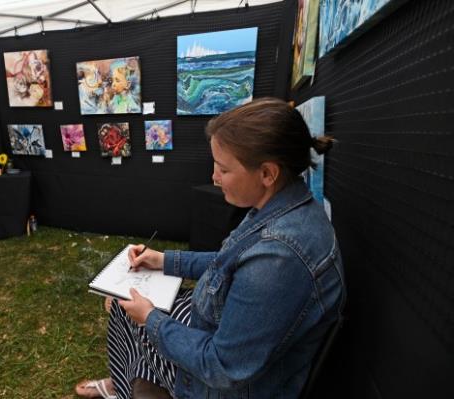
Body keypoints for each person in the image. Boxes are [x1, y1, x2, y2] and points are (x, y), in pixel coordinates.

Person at [75, 97, 346, 399]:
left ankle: (128, 382)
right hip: (219, 331)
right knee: (124, 306)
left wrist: (151, 318)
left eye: (223, 169)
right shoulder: (282, 207)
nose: (214, 178)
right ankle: (126, 380)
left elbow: (222, 367)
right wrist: (163, 260)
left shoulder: (279, 258)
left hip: (224, 384)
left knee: (129, 313)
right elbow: (227, 262)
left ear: (268, 173)